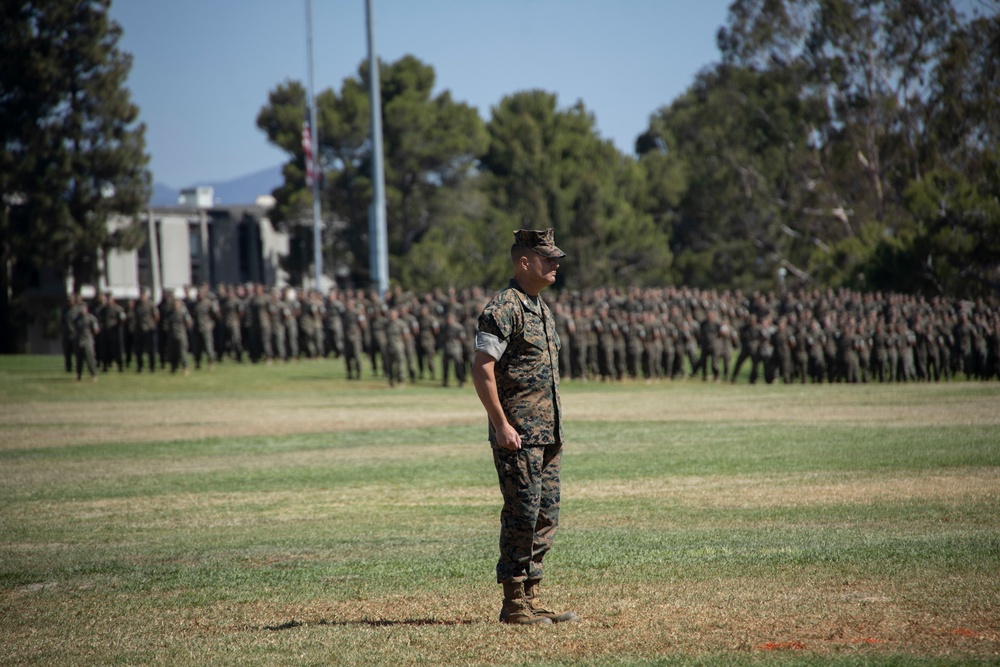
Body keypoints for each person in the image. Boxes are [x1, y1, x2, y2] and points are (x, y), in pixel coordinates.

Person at [471, 228, 578, 626]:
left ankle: (532, 597)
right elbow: (481, 368)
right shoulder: (502, 309)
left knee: (546, 515)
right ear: (524, 262)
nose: (555, 265)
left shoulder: (539, 307)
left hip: (547, 434)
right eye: (548, 259)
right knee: (522, 513)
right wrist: (501, 425)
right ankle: (514, 603)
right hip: (518, 436)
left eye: (555, 259)